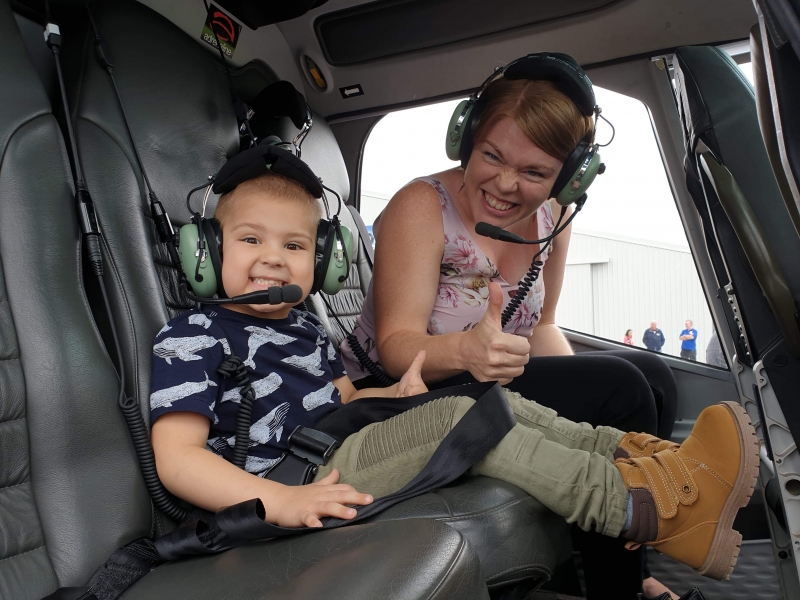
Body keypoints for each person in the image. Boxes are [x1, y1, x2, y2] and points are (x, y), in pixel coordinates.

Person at [150, 170, 757, 588]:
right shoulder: (192, 337)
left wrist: (388, 396)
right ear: (205, 251)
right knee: (467, 418)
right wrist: (280, 502)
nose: (274, 258)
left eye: (294, 244)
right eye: (250, 239)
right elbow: (177, 460)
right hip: (287, 484)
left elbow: (341, 401)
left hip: (333, 447)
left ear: (324, 261)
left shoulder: (305, 329)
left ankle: (667, 471)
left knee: (482, 398)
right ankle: (639, 512)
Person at [339, 53, 678, 598]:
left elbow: (541, 326)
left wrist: (579, 405)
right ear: (467, 138)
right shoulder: (421, 206)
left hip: (485, 381)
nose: (504, 183)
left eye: (535, 172)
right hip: (401, 393)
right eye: (491, 156)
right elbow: (397, 345)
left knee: (648, 377)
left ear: (567, 177)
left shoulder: (553, 218)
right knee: (622, 387)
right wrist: (467, 351)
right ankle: (623, 590)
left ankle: (619, 560)